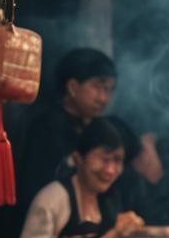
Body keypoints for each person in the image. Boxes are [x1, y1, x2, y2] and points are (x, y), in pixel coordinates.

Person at [15, 117, 144, 238]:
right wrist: (111, 236)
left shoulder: (110, 201)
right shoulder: (54, 198)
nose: (110, 170)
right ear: (78, 159)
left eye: (117, 160)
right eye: (104, 159)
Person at [16, 48, 117, 216]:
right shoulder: (46, 128)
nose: (103, 98)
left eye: (109, 90)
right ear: (73, 87)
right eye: (97, 87)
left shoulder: (95, 128)